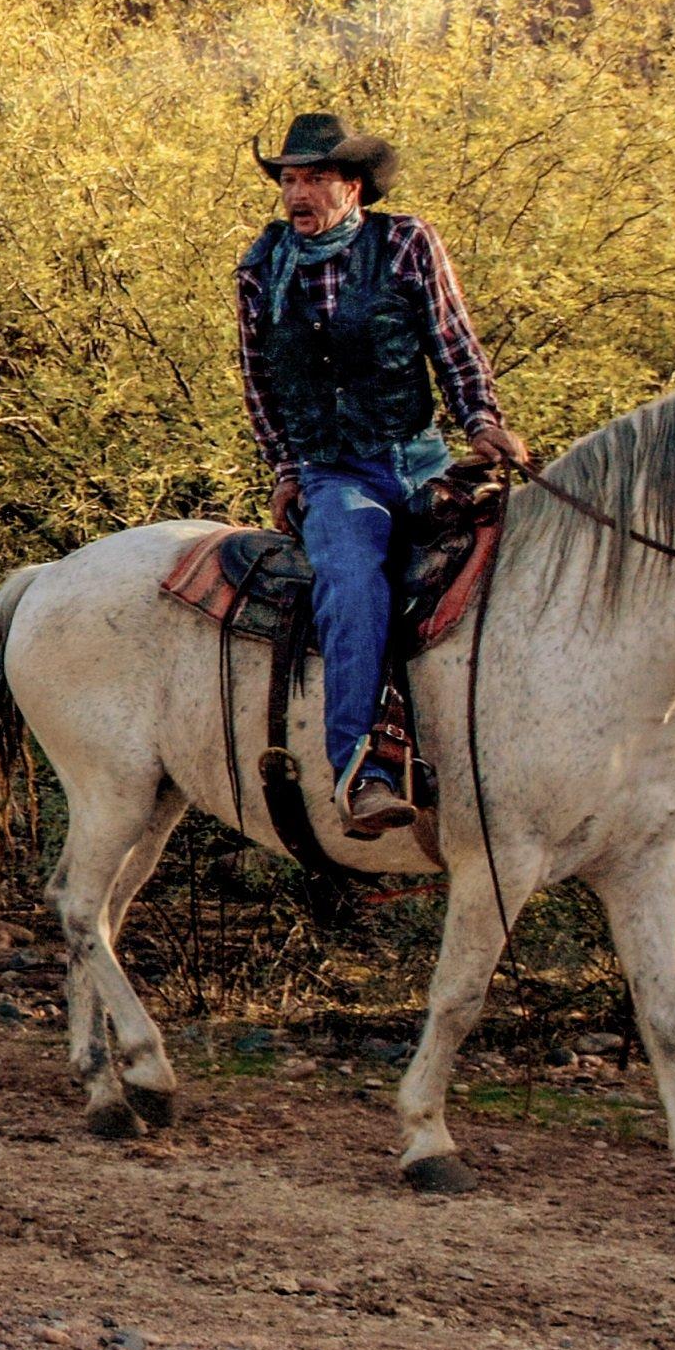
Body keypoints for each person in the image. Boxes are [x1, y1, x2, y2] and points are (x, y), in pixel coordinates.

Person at [233, 111, 526, 838]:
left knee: (528, 559)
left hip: (422, 458)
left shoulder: (406, 243)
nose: (297, 195)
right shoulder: (260, 268)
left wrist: (483, 422)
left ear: (354, 186)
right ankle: (363, 772)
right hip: (338, 475)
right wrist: (286, 470)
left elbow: (451, 340)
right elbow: (261, 382)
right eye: (290, 181)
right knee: (355, 584)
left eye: (315, 179)